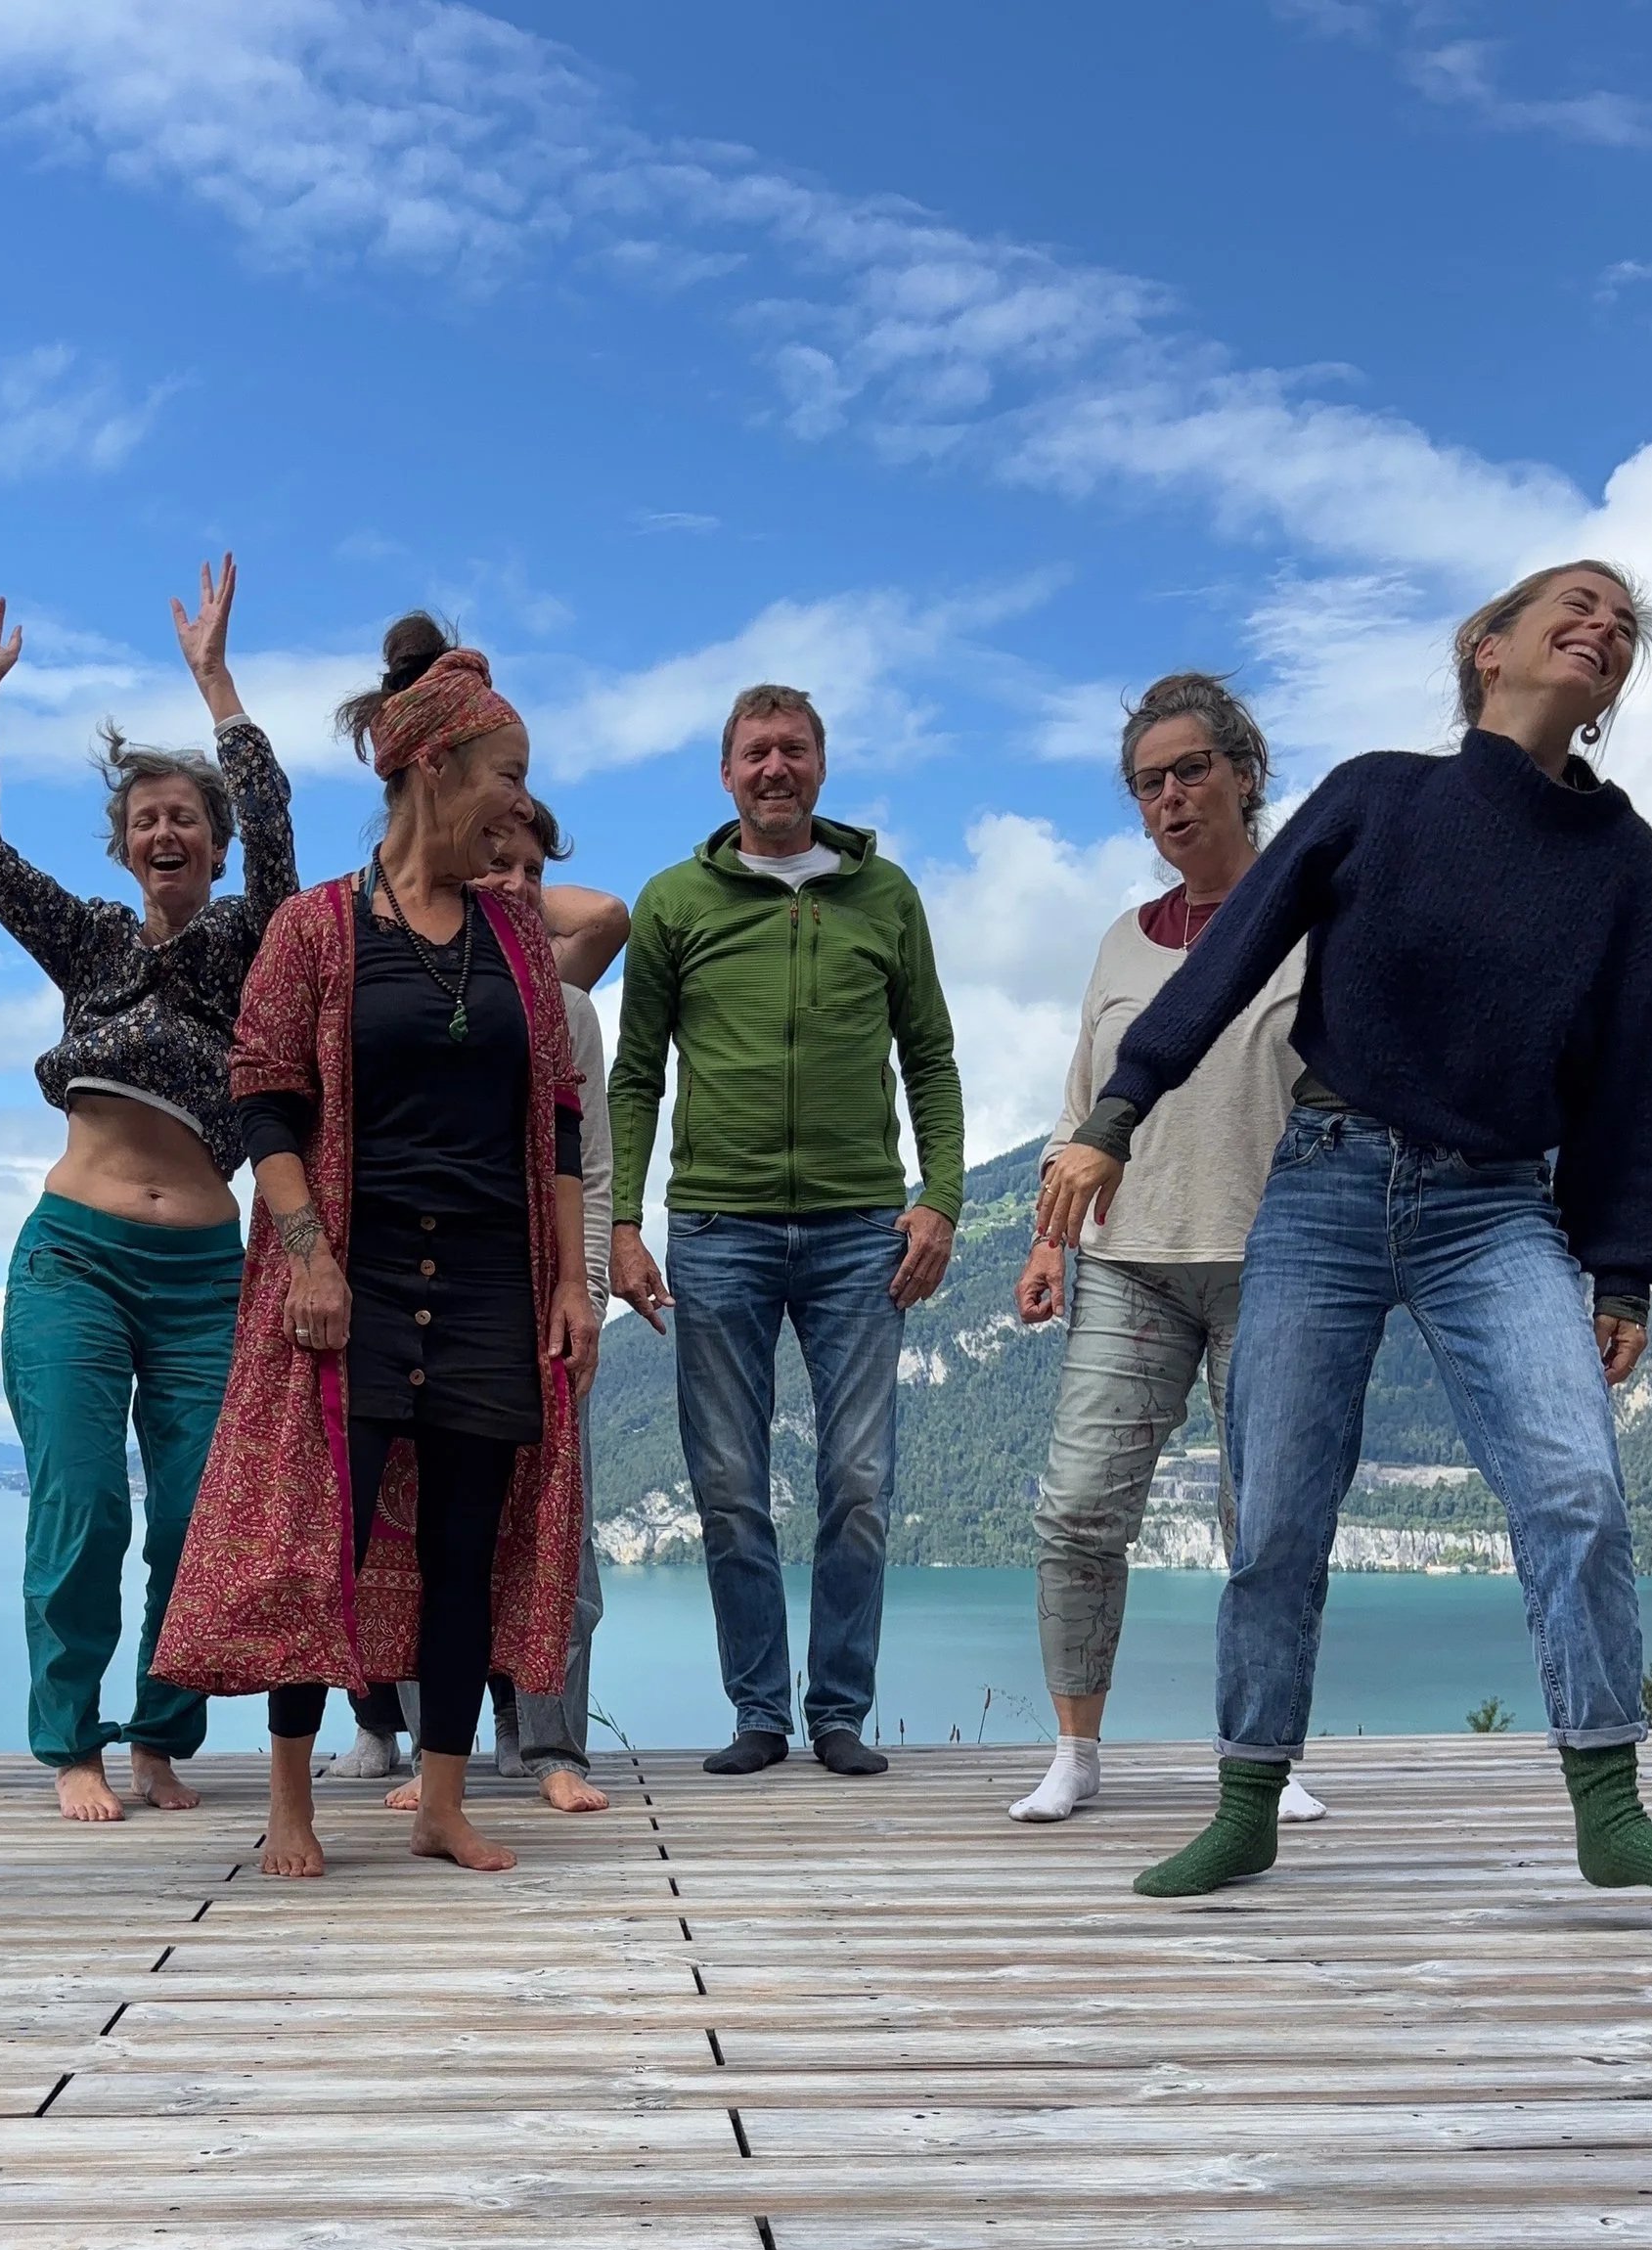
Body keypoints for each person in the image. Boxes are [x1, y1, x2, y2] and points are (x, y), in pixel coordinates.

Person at [1037, 560, 1652, 1899]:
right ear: (1488, 647)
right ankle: (1247, 1800)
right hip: (1324, 1182)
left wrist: (1623, 1270)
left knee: (1575, 1487)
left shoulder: (1623, 858)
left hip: (1497, 1206)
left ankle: (1610, 1796)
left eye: (1625, 623)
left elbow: (1625, 1073)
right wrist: (1117, 1112)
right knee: (1277, 1513)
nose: (1605, 625)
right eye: (1576, 603)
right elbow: (1229, 953)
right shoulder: (1381, 795)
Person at [154, 614, 596, 1878]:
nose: (520, 801)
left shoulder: (516, 935)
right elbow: (264, 1098)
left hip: (494, 1277)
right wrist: (308, 1256)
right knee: (322, 1538)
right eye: (506, 774)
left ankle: (442, 1802)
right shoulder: (315, 928)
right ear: (432, 768)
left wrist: (571, 1278)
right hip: (355, 1274)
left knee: (465, 1541)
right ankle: (291, 1801)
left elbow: (560, 1111)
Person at [0, 557, 295, 1822]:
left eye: (185, 817)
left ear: (214, 842)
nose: (164, 832)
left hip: (204, 1274)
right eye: (145, 818)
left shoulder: (250, 938)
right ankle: (71, 1739)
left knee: (198, 1516)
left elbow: (279, 829)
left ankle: (161, 1733)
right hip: (76, 1259)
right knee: (83, 1504)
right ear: (124, 842)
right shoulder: (87, 939)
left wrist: (216, 683)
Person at [608, 684, 964, 1778]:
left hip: (862, 1227)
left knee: (859, 1480)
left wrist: (943, 1196)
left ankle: (839, 1712)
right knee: (728, 1483)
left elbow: (931, 1058)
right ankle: (759, 1712)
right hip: (719, 1225)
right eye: (756, 751)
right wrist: (621, 1222)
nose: (776, 767)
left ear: (820, 765)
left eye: (794, 749)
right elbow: (635, 1075)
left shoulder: (885, 896)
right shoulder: (675, 901)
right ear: (726, 773)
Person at [1010, 675, 1323, 1830]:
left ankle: (1268, 1754)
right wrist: (1048, 1239)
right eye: (1150, 783)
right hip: (1126, 1258)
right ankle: (1075, 1753)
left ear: (1247, 772)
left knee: (1271, 1522)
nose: (1172, 797)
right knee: (1078, 1511)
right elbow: (1080, 1106)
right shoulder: (1117, 942)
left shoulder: (1315, 922)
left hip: (1278, 1263)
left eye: (1192, 770)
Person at [362, 801, 626, 1805]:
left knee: (562, 1533)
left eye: (532, 871)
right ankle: (440, 1755)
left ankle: (555, 1750)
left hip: (537, 1299)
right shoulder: (402, 985)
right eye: (496, 862)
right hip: (418, 1294)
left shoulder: (567, 1007)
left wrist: (578, 1293)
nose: (514, 884)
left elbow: (589, 1170)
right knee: (417, 1532)